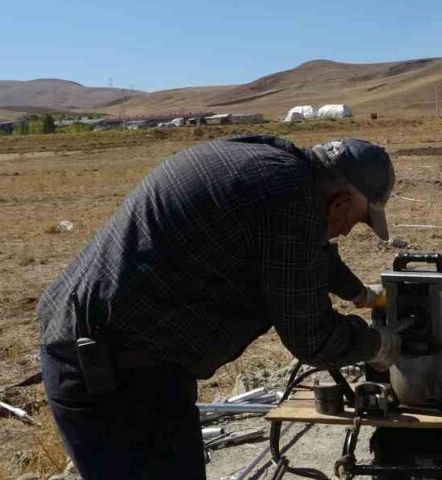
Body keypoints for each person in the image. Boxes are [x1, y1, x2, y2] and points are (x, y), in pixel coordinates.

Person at [35, 135, 399, 479]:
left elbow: (307, 251)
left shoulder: (276, 167)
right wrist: (377, 345)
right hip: (113, 377)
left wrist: (360, 294)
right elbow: (311, 336)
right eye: (357, 220)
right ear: (341, 203)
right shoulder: (291, 198)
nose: (347, 231)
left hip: (130, 358)